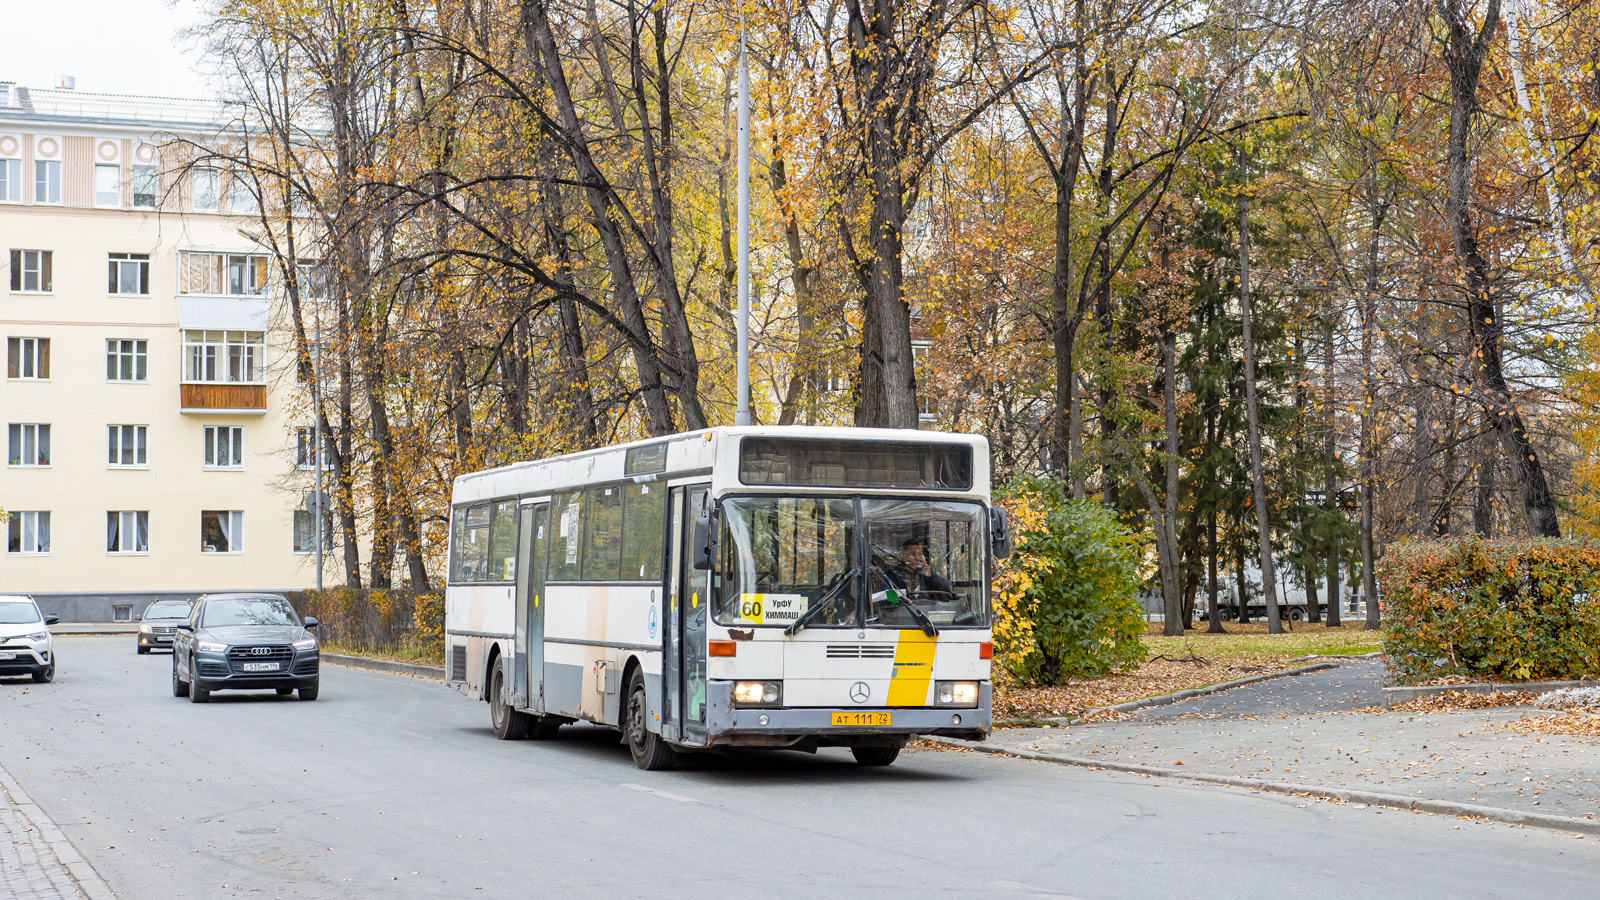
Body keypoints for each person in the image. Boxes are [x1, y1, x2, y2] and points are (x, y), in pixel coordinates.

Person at [887, 539, 954, 599]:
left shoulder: (926, 574)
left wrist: (931, 576)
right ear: (904, 556)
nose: (917, 558)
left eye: (920, 554)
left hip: (927, 611)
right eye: (913, 554)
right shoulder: (893, 574)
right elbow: (888, 598)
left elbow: (949, 589)